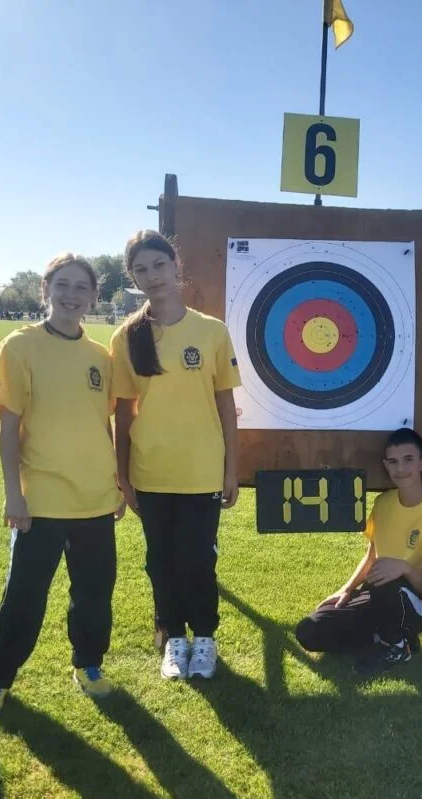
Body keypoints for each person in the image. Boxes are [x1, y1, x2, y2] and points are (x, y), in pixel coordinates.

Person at [0, 254, 123, 718]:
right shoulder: (19, 346)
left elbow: (103, 425)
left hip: (96, 498)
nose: (71, 295)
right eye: (62, 285)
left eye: (81, 287)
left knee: (94, 591)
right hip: (40, 498)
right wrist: (13, 494)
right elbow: (8, 428)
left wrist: (116, 485)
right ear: (46, 290)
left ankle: (88, 664)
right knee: (24, 593)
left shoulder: (101, 357)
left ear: (94, 296)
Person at [110, 230, 240, 682]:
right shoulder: (126, 337)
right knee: (160, 562)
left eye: (159, 265)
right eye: (141, 270)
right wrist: (123, 477)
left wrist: (231, 470)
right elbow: (123, 414)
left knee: (199, 561)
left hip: (202, 473)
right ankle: (175, 640)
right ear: (132, 278)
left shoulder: (212, 331)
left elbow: (227, 407)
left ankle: (204, 639)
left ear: (175, 265)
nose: (152, 276)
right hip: (151, 473)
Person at [295, 428, 422, 668]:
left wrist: (403, 568)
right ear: (386, 465)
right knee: (309, 630)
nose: (400, 469)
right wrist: (347, 589)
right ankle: (383, 636)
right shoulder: (383, 503)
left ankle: (397, 648)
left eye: (408, 460)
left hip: (415, 604)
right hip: (376, 593)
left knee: (388, 580)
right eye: (393, 462)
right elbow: (371, 557)